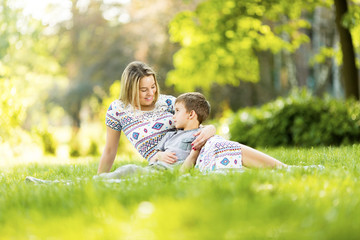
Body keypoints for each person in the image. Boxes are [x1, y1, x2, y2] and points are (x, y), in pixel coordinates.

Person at [97, 61, 216, 175]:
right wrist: (99, 178)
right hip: (159, 164)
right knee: (128, 172)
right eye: (144, 90)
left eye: (153, 87)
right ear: (130, 90)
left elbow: (194, 122)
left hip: (190, 157)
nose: (151, 93)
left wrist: (211, 128)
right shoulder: (117, 110)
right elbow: (110, 150)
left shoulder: (168, 102)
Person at [152, 92, 287, 173]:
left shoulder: (201, 134)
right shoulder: (170, 136)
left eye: (177, 111)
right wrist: (160, 155)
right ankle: (280, 168)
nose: (173, 116)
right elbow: (154, 157)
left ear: (191, 114)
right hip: (161, 167)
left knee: (226, 146)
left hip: (192, 162)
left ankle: (281, 167)